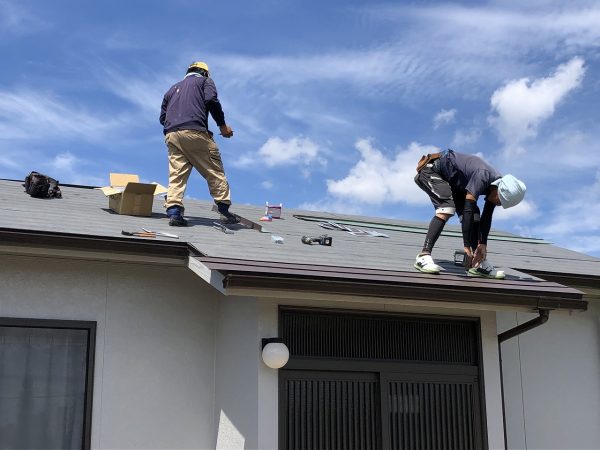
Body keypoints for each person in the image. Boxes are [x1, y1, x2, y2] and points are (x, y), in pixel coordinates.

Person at [413, 149, 526, 278]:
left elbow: (486, 218)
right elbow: (467, 210)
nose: (499, 204)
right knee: (447, 208)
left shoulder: (495, 187)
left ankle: (478, 264)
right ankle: (423, 256)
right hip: (432, 170)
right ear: (499, 191)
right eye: (500, 201)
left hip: (456, 184)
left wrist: (482, 244)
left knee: (475, 217)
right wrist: (466, 246)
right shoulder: (483, 175)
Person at [160, 61, 239, 226]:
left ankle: (174, 213)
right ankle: (224, 210)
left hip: (172, 135)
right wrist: (223, 127)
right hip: (195, 132)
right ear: (205, 73)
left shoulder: (172, 89)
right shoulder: (205, 81)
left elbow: (162, 118)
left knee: (177, 175)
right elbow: (211, 100)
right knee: (214, 170)